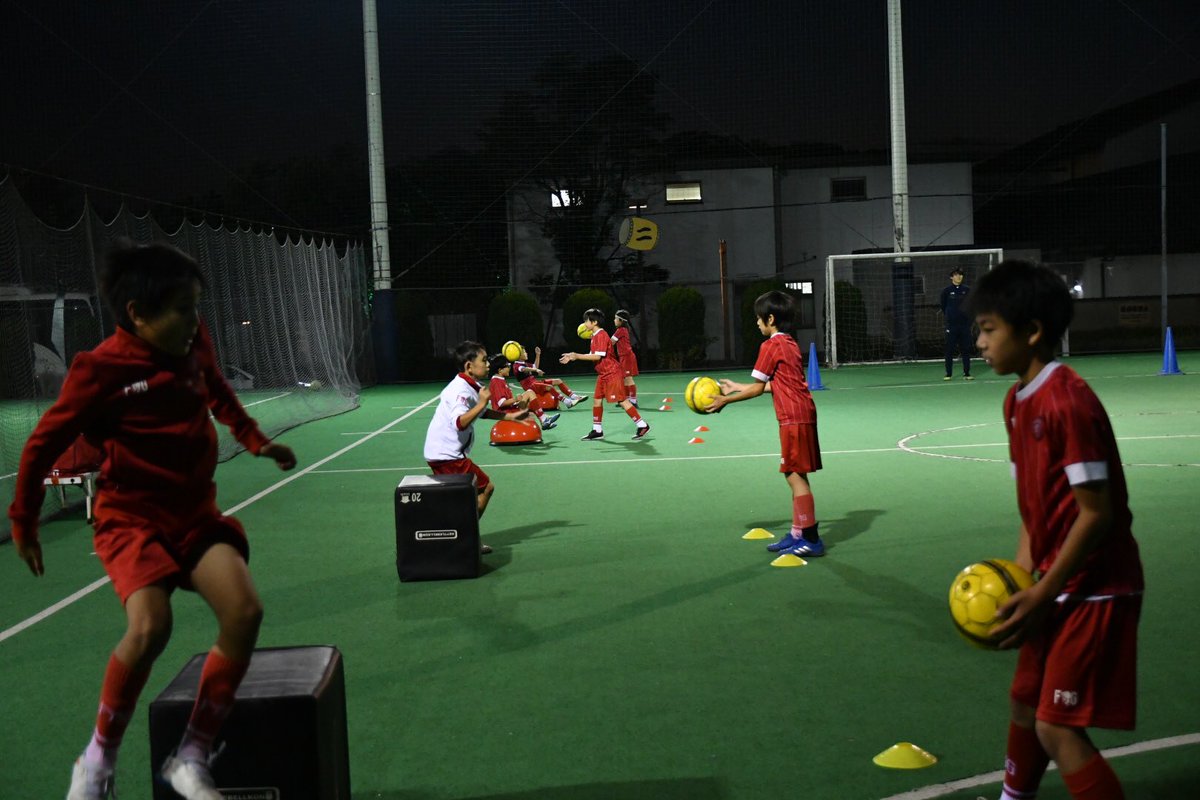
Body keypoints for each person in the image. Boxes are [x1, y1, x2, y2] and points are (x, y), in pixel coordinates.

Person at [7, 240, 298, 800]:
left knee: (244, 612)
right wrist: (24, 521)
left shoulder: (191, 342)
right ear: (138, 314)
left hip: (194, 515)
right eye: (183, 309)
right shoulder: (100, 370)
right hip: (131, 519)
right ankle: (97, 761)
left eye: (196, 307)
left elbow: (217, 390)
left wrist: (256, 440)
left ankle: (190, 754)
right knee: (150, 627)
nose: (195, 321)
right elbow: (41, 445)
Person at [972, 260, 1143, 800]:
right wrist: (1017, 585)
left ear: (1032, 331)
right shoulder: (1015, 402)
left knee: (1056, 727)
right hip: (1053, 585)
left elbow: (1096, 514)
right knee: (1025, 702)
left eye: (989, 329)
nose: (979, 342)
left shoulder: (1066, 400)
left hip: (1096, 587)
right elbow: (1034, 513)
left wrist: (1043, 592)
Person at [707, 290, 825, 557]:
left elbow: (758, 389)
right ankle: (797, 532)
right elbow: (779, 383)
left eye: (759, 318)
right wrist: (738, 386)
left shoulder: (770, 346)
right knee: (797, 473)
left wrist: (726, 400)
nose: (757, 322)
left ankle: (811, 538)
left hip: (793, 417)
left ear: (770, 319)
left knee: (793, 474)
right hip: (802, 412)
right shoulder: (789, 343)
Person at [424, 341, 530, 552]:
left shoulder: (470, 385)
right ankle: (465, 538)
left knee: (462, 498)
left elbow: (481, 412)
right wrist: (482, 402)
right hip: (447, 456)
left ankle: (458, 536)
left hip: (444, 453)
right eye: (483, 360)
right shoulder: (460, 391)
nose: (488, 364)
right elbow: (459, 422)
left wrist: (511, 417)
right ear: (469, 366)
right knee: (485, 487)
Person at [559, 308, 650, 441]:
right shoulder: (594, 336)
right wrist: (572, 356)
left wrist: (576, 356)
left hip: (612, 373)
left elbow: (597, 357)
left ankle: (642, 425)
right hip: (603, 374)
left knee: (622, 401)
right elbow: (592, 354)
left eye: (586, 321)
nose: (584, 323)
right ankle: (597, 430)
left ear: (594, 322)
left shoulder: (601, 335)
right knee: (597, 400)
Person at [487, 353, 558, 430]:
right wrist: (515, 399)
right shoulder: (497, 382)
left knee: (531, 404)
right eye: (507, 366)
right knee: (529, 393)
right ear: (500, 370)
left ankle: (544, 419)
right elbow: (501, 403)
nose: (509, 367)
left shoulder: (499, 379)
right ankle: (543, 419)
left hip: (507, 410)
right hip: (505, 413)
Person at [511, 345, 586, 409]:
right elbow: (524, 369)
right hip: (530, 386)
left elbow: (535, 366)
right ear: (518, 355)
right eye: (524, 352)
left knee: (558, 381)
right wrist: (536, 370)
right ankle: (567, 402)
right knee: (549, 387)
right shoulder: (516, 365)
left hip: (534, 382)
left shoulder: (524, 363)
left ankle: (574, 396)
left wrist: (538, 355)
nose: (526, 353)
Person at [941, 266, 974, 381]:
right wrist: (950, 318)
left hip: (964, 326)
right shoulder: (946, 291)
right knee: (949, 350)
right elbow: (943, 306)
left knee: (965, 350)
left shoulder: (967, 290)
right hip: (952, 326)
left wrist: (968, 321)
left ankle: (967, 373)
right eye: (956, 275)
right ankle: (948, 374)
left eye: (960, 275)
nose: (958, 277)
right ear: (951, 277)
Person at [611, 309, 640, 407]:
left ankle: (633, 401)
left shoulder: (621, 330)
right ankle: (626, 400)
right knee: (624, 379)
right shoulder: (622, 330)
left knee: (628, 378)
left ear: (621, 320)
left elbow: (611, 342)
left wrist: (597, 338)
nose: (614, 320)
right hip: (624, 357)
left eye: (615, 318)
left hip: (627, 357)